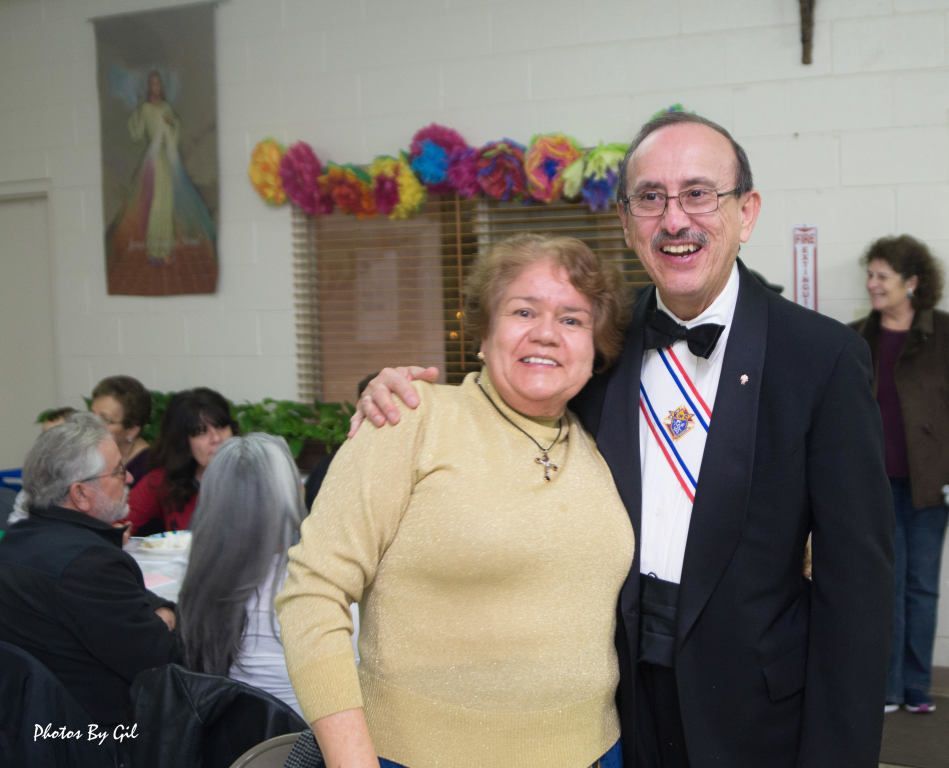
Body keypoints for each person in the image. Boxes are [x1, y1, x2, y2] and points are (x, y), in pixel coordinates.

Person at [353, 112, 893, 767]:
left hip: (756, 715)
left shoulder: (820, 357)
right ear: (623, 220)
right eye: (649, 198)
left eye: (698, 193)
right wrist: (393, 396)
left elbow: (856, 587)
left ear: (745, 212)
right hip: (610, 709)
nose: (674, 220)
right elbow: (498, 405)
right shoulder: (596, 342)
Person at [277, 234, 634, 768]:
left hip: (597, 755)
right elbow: (312, 593)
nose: (546, 333)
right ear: (483, 335)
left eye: (572, 319)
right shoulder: (407, 421)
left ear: (596, 348)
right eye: (522, 310)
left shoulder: (606, 447)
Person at [0, 413, 178, 727]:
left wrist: (155, 608)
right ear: (81, 493)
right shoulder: (90, 563)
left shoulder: (15, 542)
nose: (131, 479)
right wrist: (169, 615)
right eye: (119, 471)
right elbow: (161, 660)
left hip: (25, 727)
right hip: (98, 737)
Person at [851, 234, 948, 715]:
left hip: (930, 485)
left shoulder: (943, 335)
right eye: (870, 275)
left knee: (922, 585)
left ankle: (916, 689)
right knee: (884, 586)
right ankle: (886, 688)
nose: (871, 284)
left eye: (881, 277)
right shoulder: (855, 338)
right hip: (874, 485)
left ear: (911, 283)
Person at [178, 433, 304, 717]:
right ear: (286, 500)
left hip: (237, 746)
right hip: (306, 748)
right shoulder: (307, 589)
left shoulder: (199, 586)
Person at [107, 69, 215, 265]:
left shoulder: (166, 107)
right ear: (149, 87)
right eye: (152, 83)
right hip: (153, 160)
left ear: (161, 86)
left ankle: (164, 249)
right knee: (157, 203)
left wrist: (171, 123)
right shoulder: (146, 109)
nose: (155, 87)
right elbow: (137, 134)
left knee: (167, 203)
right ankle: (154, 251)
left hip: (167, 159)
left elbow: (175, 131)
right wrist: (136, 114)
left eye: (158, 83)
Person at [128, 386, 235, 534]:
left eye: (221, 426)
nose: (216, 438)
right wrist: (119, 533)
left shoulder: (255, 476)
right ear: (182, 442)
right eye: (201, 432)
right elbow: (118, 523)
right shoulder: (162, 480)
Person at [90, 374, 152, 486]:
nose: (92, 425)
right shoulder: (91, 454)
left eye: (105, 420)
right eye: (92, 415)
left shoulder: (147, 471)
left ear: (132, 430)